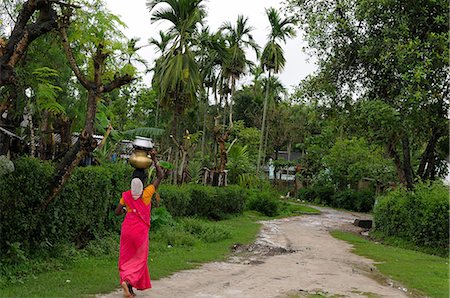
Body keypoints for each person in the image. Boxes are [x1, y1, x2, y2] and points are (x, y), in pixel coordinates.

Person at [115, 149, 164, 298]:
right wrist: (154, 159)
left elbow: (117, 211)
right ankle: (128, 281)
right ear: (143, 182)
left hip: (127, 230)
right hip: (140, 232)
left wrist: (126, 211)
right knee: (139, 260)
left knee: (126, 257)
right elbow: (161, 175)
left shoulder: (126, 195)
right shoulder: (148, 193)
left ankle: (128, 287)